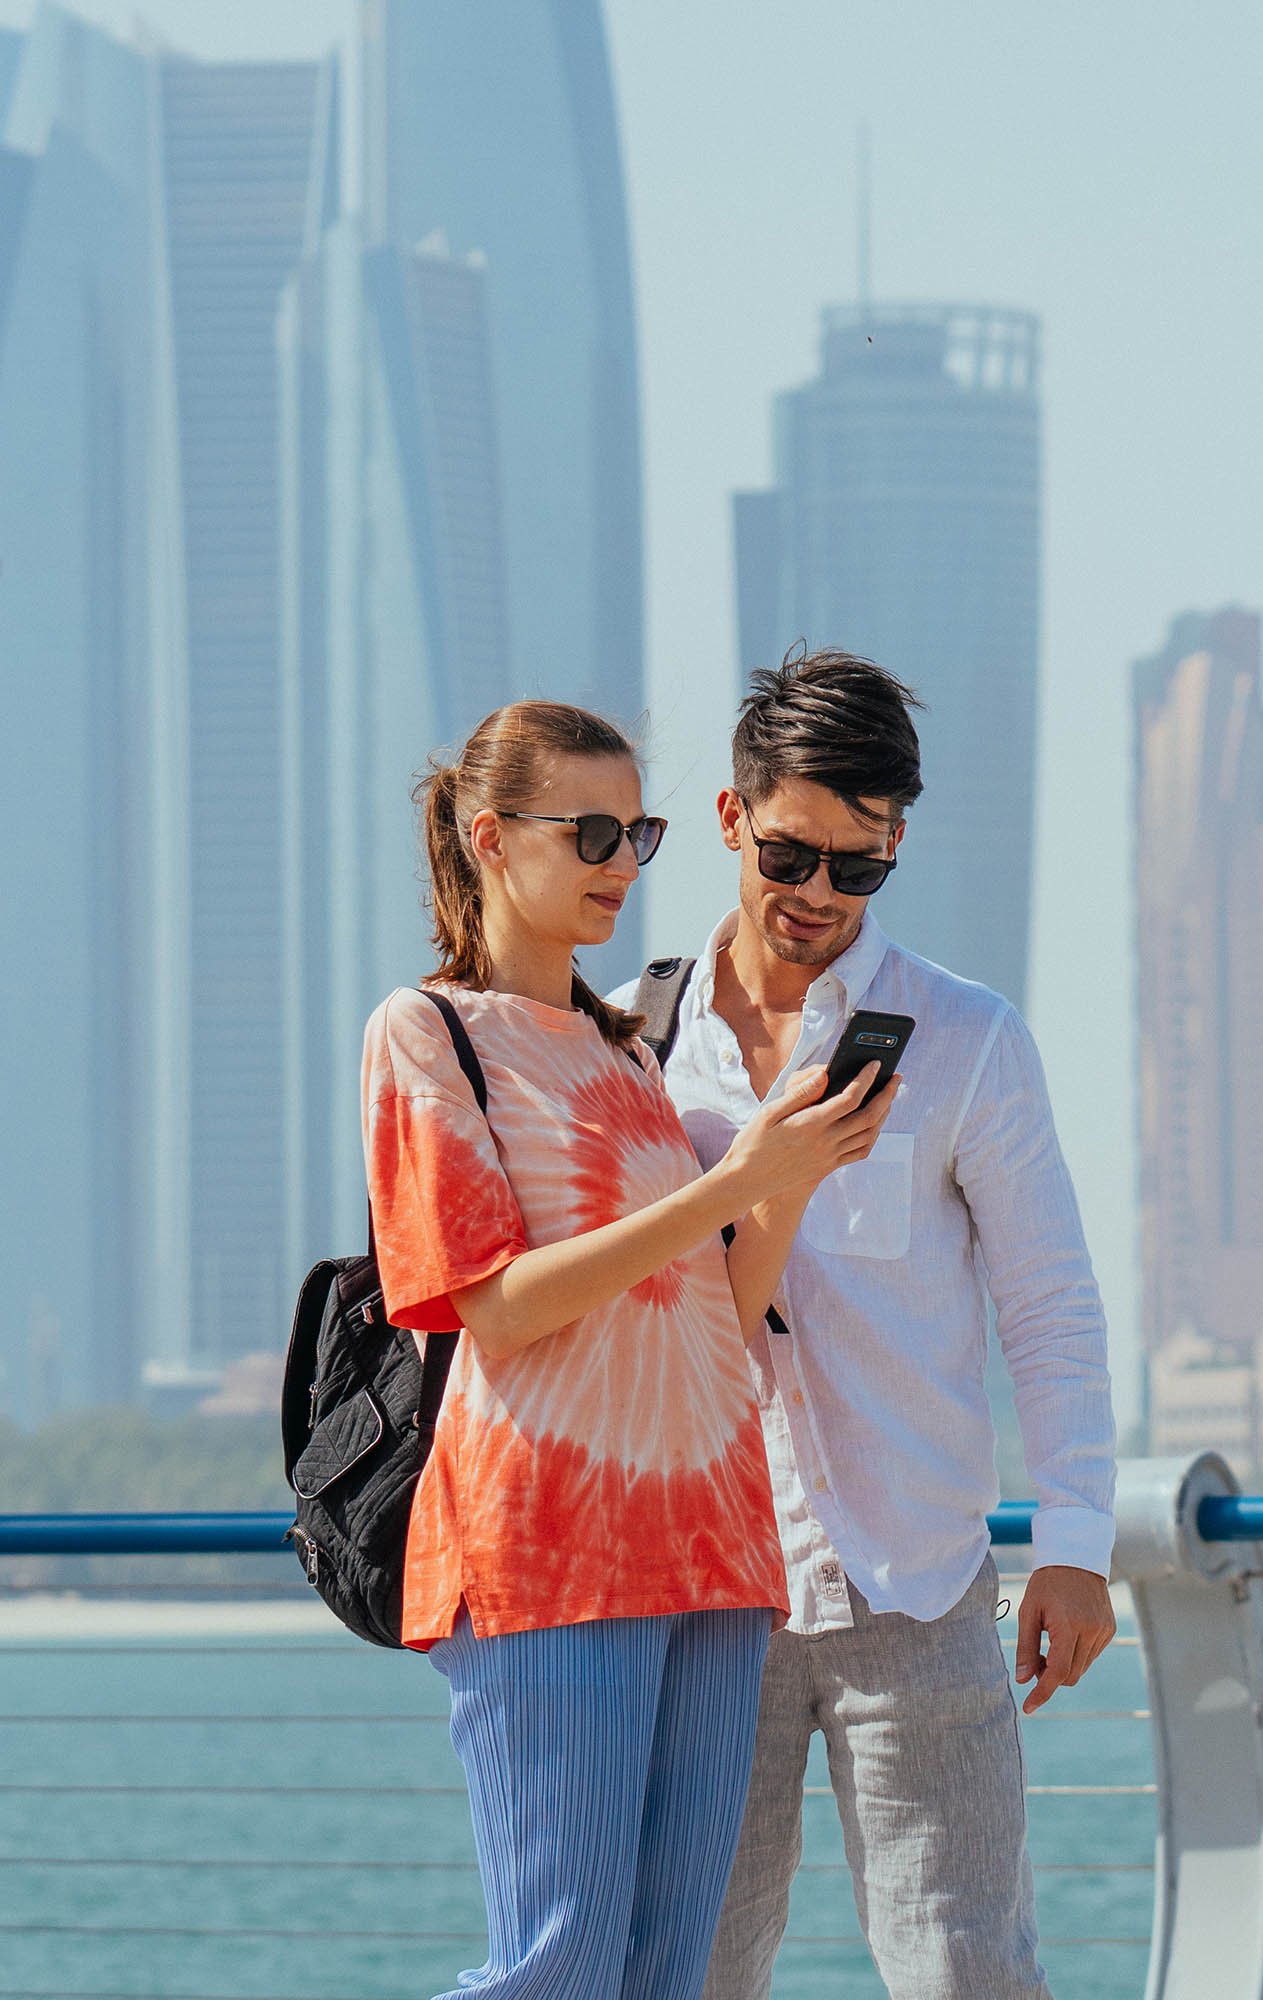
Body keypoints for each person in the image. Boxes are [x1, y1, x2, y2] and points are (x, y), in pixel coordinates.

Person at [364, 699, 898, 2000]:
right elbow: (493, 1305)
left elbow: (708, 1301)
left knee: (671, 1975)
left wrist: (789, 1177)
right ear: (490, 839)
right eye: (591, 830)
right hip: (550, 1549)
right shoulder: (429, 1035)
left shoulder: (620, 1052)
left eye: (639, 832)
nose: (622, 862)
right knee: (558, 1967)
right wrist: (731, 1185)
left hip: (714, 1549)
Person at [624, 650, 1118, 2000]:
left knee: (968, 1973)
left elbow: (1051, 1302)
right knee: (689, 1973)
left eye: (861, 867)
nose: (818, 899)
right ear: (731, 818)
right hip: (698, 1600)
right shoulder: (631, 1044)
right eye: (791, 857)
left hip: (919, 1580)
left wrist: (1075, 1543)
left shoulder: (969, 1037)